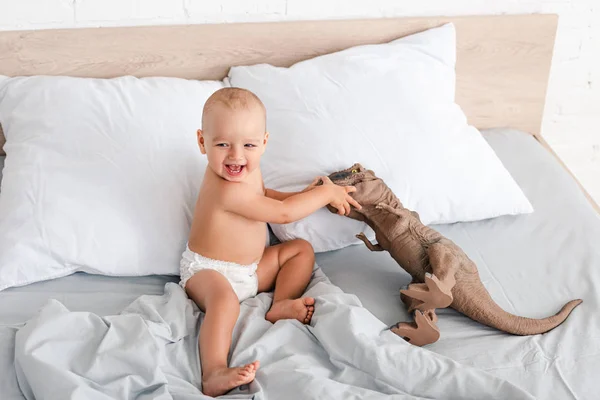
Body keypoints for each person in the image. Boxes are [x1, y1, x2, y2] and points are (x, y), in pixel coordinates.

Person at [180, 87, 361, 396]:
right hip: (208, 272)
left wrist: (306, 194)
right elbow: (283, 214)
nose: (236, 155)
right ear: (202, 142)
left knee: (300, 250)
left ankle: (280, 305)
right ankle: (213, 372)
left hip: (250, 271)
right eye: (223, 144)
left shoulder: (247, 172)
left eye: (248, 145)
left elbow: (268, 199)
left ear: (263, 143)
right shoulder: (225, 189)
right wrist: (324, 195)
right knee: (223, 303)